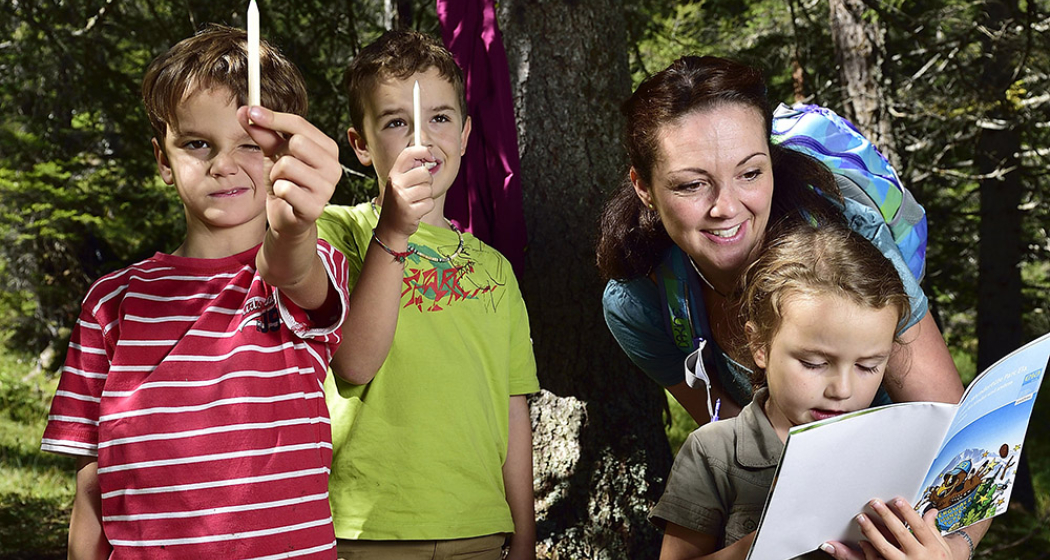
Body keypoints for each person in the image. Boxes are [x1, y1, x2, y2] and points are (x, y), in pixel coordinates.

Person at [596, 54, 986, 558]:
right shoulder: (642, 306)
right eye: (692, 184)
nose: (726, 206)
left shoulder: (849, 237)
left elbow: (960, 436)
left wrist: (951, 550)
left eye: (750, 173)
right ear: (643, 187)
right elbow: (743, 453)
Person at [40, 25, 349, 559]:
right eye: (197, 143)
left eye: (251, 145)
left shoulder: (307, 264)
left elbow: (294, 271)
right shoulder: (110, 301)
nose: (222, 163)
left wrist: (295, 228)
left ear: (284, 156)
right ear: (164, 159)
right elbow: (92, 481)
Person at [317, 30, 539, 560]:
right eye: (397, 122)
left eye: (439, 118)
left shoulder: (495, 269)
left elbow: (513, 408)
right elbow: (352, 362)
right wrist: (393, 231)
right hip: (365, 530)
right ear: (361, 145)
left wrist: (525, 536)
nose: (421, 141)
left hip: (479, 527)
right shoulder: (333, 232)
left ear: (464, 135)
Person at [652, 220, 962, 560]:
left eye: (868, 366)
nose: (842, 390)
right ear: (760, 345)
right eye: (814, 363)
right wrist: (765, 543)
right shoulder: (715, 453)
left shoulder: (898, 451)